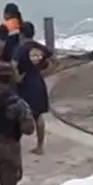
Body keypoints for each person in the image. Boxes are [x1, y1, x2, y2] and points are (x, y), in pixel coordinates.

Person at [15, 21, 56, 155]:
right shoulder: (40, 47)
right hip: (38, 82)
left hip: (25, 84)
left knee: (18, 114)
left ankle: (16, 144)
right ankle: (40, 146)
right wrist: (44, 73)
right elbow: (54, 61)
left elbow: (13, 64)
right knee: (38, 116)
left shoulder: (21, 48)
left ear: (21, 34)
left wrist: (16, 78)